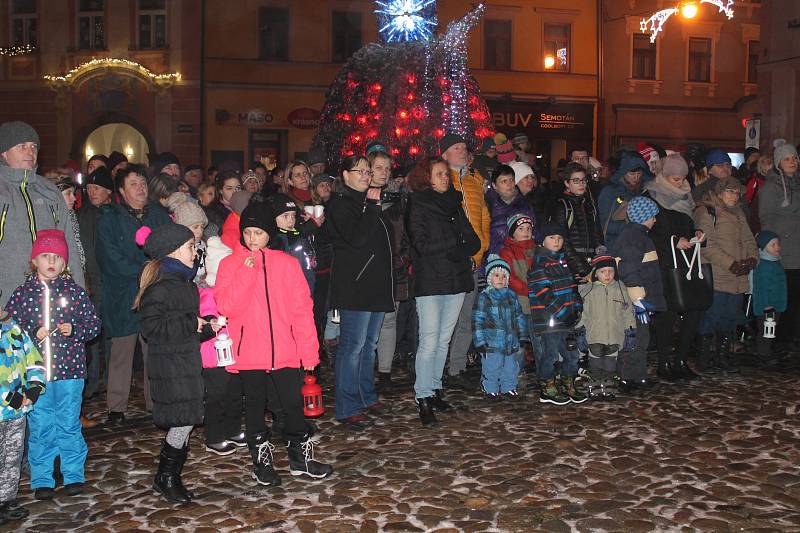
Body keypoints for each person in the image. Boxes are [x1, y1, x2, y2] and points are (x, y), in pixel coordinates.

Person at [214, 202, 333, 485]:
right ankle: (261, 460)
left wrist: (308, 351)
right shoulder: (230, 264)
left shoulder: (287, 264)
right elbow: (228, 305)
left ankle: (299, 458)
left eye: (258, 232)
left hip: (285, 349)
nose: (252, 238)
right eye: (248, 232)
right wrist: (246, 271)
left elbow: (302, 310)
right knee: (254, 407)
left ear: (269, 233)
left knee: (292, 405)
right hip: (249, 352)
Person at [5, 229, 101, 500]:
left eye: (57, 257)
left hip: (70, 372)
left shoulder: (74, 292)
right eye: (45, 256)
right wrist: (31, 331)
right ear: (34, 260)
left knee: (69, 424)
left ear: (65, 263)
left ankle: (73, 474)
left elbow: (94, 325)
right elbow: (10, 330)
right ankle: (42, 478)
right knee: (41, 425)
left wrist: (75, 330)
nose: (52, 261)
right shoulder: (23, 294)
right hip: (37, 376)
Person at [132, 223, 208, 503]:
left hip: (186, 363)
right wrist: (191, 322)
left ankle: (170, 476)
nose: (195, 251)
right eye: (190, 247)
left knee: (185, 421)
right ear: (173, 251)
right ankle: (166, 477)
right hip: (171, 367)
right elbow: (152, 328)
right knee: (182, 422)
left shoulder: (185, 285)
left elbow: (187, 326)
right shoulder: (159, 289)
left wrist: (208, 327)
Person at [406, 157, 480, 426]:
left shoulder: (454, 201)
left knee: (443, 340)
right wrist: (454, 241)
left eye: (445, 174)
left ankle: (435, 388)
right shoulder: (418, 203)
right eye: (438, 174)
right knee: (428, 340)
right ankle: (423, 396)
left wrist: (459, 243)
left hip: (456, 279)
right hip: (430, 280)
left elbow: (472, 240)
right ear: (426, 177)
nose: (444, 178)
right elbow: (420, 243)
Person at [97, 165, 172, 424]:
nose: (140, 188)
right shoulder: (110, 218)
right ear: (121, 191)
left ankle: (156, 402)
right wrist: (143, 272)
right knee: (122, 351)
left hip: (155, 291)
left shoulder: (159, 215)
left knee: (154, 350)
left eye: (142, 183)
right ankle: (116, 406)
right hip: (124, 293)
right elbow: (109, 258)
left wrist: (157, 275)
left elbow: (171, 246)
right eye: (133, 184)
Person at [326, 155, 394, 431]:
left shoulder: (368, 202)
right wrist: (372, 207)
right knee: (351, 347)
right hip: (355, 285)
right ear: (345, 175)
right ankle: (347, 406)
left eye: (369, 171)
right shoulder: (340, 204)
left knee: (369, 345)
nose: (367, 175)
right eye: (361, 171)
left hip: (376, 284)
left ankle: (366, 395)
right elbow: (357, 238)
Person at [0, 121, 85, 307]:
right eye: (22, 146)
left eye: (33, 146)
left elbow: (68, 242)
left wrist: (79, 295)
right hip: (7, 298)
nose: (30, 152)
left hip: (49, 297)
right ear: (4, 153)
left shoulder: (48, 191)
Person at [643, 154, 703, 382]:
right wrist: (672, 240)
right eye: (675, 179)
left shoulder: (687, 196)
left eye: (682, 179)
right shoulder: (652, 196)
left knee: (692, 311)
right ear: (664, 177)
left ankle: (680, 359)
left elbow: (688, 222)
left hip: (685, 262)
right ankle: (664, 361)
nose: (679, 183)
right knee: (666, 316)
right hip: (663, 263)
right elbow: (647, 231)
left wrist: (695, 233)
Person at [440, 134, 490, 391]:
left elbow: (484, 218)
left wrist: (479, 251)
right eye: (455, 148)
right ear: (444, 154)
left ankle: (456, 367)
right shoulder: (441, 181)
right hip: (450, 262)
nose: (462, 151)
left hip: (473, 260)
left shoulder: (474, 181)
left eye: (463, 147)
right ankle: (437, 367)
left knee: (465, 318)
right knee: (444, 319)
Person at [694, 177, 758, 373]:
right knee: (711, 316)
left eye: (737, 192)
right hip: (718, 275)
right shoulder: (706, 211)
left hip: (738, 276)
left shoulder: (739, 212)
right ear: (720, 193)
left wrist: (752, 258)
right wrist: (731, 264)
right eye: (730, 191)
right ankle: (703, 356)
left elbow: (748, 239)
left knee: (730, 317)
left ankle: (723, 355)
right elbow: (706, 246)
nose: (734, 196)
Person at [528, 222, 586, 405]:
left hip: (566, 321)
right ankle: (547, 386)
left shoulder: (563, 263)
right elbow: (544, 294)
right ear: (542, 241)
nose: (556, 241)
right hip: (550, 321)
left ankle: (568, 383)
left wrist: (576, 308)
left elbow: (571, 289)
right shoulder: (539, 265)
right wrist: (563, 312)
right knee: (551, 355)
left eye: (560, 238)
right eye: (552, 237)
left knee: (571, 354)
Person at [368, 146, 410, 390]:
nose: (384, 173)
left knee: (389, 321)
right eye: (378, 168)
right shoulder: (360, 199)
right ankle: (365, 372)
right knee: (370, 324)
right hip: (369, 271)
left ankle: (385, 373)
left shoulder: (398, 199)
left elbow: (405, 233)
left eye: (387, 168)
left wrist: (403, 259)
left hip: (394, 268)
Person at [612, 196, 664, 392]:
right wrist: (638, 298)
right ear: (644, 216)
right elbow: (629, 270)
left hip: (641, 299)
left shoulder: (638, 236)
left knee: (642, 339)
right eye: (653, 216)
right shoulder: (634, 238)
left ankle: (638, 375)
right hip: (636, 301)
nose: (655, 220)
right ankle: (627, 378)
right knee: (634, 339)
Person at [0, 305, 45, 524]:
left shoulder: (13, 328)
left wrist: (34, 387)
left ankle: (6, 500)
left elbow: (33, 357)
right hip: (8, 404)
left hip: (17, 412)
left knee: (12, 457)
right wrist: (10, 397)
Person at [76, 166, 114, 402]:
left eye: (97, 188)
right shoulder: (82, 215)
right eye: (89, 188)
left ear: (108, 191)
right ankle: (91, 381)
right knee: (90, 337)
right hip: (90, 282)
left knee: (111, 335)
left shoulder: (115, 214)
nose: (92, 192)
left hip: (112, 283)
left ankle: (111, 380)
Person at [758, 140, 800, 348]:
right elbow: (766, 218)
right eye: (787, 159)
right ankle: (777, 342)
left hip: (798, 249)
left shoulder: (798, 183)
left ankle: (791, 337)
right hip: (783, 249)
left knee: (795, 299)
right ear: (778, 162)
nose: (792, 162)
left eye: (794, 158)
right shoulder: (771, 187)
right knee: (782, 298)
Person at [577, 255, 636, 401]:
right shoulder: (589, 290)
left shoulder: (620, 288)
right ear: (596, 273)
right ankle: (595, 388)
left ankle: (608, 388)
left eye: (611, 271)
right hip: (594, 335)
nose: (608, 275)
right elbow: (583, 313)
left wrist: (630, 331)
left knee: (610, 365)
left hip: (615, 336)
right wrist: (579, 331)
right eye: (603, 271)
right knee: (595, 365)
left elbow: (628, 311)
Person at [473, 255, 528, 401]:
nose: (501, 279)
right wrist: (479, 341)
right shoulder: (485, 297)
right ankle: (490, 387)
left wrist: (522, 335)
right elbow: (478, 320)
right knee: (492, 366)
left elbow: (519, 316)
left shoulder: (511, 296)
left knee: (511, 367)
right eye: (496, 275)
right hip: (492, 342)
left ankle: (508, 387)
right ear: (490, 278)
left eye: (504, 276)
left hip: (511, 341)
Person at [550, 161, 601, 277]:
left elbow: (597, 233)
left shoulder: (589, 204)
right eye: (576, 181)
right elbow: (562, 241)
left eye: (584, 180)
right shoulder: (562, 206)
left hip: (591, 262)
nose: (581, 184)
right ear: (567, 183)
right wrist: (582, 268)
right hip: (571, 266)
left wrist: (600, 258)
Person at [598, 151, 653, 251]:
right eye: (632, 174)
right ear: (623, 173)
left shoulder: (644, 192)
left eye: (639, 173)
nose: (636, 177)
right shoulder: (610, 192)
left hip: (639, 246)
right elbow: (603, 224)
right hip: (615, 246)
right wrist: (632, 227)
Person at [265, 193, 316, 292]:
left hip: (303, 295)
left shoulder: (298, 238)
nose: (291, 220)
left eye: (293, 215)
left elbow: (307, 272)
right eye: (285, 216)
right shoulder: (271, 243)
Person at [751, 231, 787, 364]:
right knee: (766, 330)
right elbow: (762, 287)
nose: (777, 247)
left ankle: (767, 350)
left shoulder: (775, 262)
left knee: (771, 329)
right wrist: (766, 305)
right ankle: (763, 353)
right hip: (767, 306)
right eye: (773, 245)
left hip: (776, 304)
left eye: (778, 244)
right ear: (763, 247)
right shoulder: (764, 265)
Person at [485, 164, 535, 256]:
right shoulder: (487, 204)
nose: (509, 184)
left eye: (511, 180)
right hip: (496, 258)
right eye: (504, 181)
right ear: (494, 185)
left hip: (522, 256)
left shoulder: (524, 203)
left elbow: (534, 230)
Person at [204, 171, 242, 235]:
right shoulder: (213, 211)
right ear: (220, 190)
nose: (235, 192)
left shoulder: (245, 206)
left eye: (238, 188)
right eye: (229, 188)